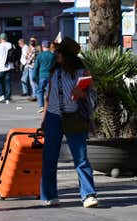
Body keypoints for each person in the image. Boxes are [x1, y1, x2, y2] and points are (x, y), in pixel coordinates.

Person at [40, 37, 98, 208]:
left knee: (80, 157)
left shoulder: (83, 72)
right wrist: (44, 120)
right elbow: (48, 96)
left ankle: (88, 195)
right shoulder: (53, 71)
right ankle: (49, 195)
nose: (56, 54)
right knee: (49, 158)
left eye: (59, 52)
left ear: (67, 55)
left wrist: (83, 94)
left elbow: (93, 96)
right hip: (53, 117)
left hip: (74, 116)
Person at [33, 40, 55, 113]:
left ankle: (41, 106)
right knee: (50, 91)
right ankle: (50, 105)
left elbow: (36, 67)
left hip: (42, 76)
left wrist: (34, 77)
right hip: (51, 76)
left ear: (43, 47)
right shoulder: (53, 55)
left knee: (40, 91)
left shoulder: (40, 56)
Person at [0, 33, 14, 104]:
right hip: (9, 66)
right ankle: (7, 98)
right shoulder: (10, 45)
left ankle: (2, 94)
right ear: (6, 38)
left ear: (0, 39)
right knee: (8, 82)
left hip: (1, 67)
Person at [26, 36, 39, 102]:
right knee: (33, 81)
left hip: (32, 66)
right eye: (31, 40)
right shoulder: (31, 48)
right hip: (32, 66)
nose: (31, 42)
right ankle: (35, 94)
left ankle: (35, 95)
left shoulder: (34, 49)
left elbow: (29, 59)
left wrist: (27, 60)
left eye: (33, 41)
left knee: (33, 82)